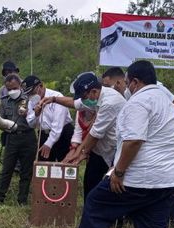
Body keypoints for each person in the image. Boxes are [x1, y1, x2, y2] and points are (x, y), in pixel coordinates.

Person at [59, 60, 174, 228]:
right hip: (168, 180)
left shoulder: (139, 101)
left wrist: (118, 172)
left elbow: (134, 141)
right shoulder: (167, 103)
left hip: (139, 178)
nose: (125, 87)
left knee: (95, 203)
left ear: (135, 82)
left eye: (127, 83)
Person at [102, 67, 174, 228]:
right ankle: (133, 216)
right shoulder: (127, 93)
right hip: (136, 143)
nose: (109, 89)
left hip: (155, 144)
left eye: (109, 85)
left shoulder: (156, 88)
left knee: (165, 184)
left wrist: (164, 127)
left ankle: (172, 220)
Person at [37, 72, 126, 200]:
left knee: (113, 184)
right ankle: (89, 210)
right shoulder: (93, 97)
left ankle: (116, 218)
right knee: (90, 181)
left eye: (84, 97)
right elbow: (74, 103)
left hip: (116, 149)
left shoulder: (109, 103)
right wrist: (54, 99)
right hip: (100, 148)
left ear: (94, 91)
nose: (83, 101)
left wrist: (79, 153)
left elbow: (95, 134)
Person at [0, 74, 37, 205]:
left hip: (28, 137)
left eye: (14, 88)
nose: (12, 91)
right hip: (12, 138)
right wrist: (4, 126)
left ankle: (22, 200)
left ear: (20, 86)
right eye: (9, 89)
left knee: (26, 170)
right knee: (7, 169)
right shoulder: (4, 101)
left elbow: (36, 119)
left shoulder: (30, 99)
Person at [23, 75, 74, 162]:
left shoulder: (57, 96)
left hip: (63, 134)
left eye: (32, 92)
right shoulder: (32, 101)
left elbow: (58, 125)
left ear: (40, 86)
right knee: (43, 168)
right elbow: (31, 124)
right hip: (43, 135)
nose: (31, 95)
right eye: (28, 94)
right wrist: (36, 114)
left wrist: (49, 143)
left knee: (65, 166)